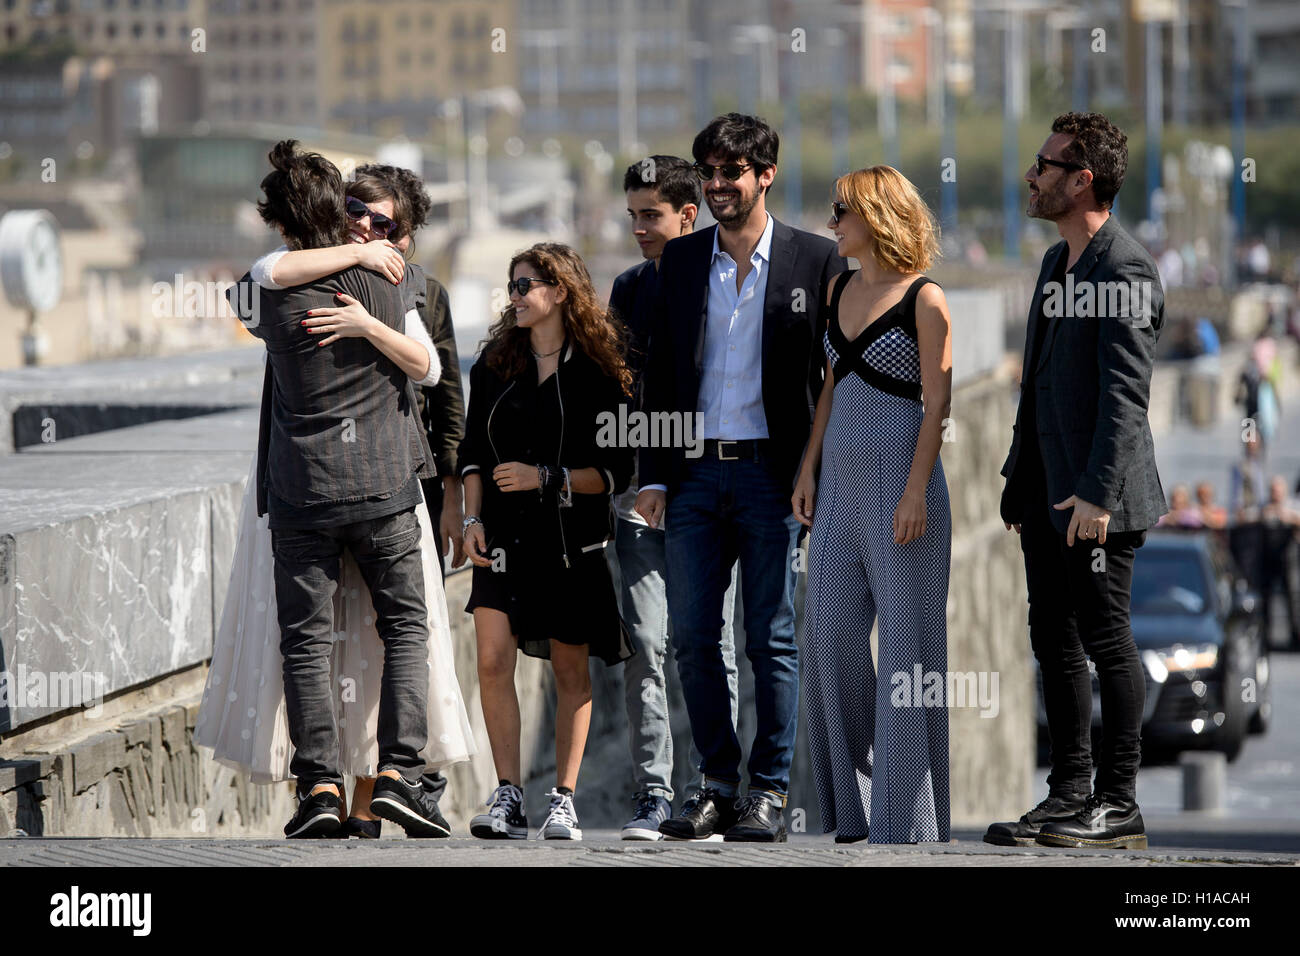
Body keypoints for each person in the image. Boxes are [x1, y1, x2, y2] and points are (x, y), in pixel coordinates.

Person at [198, 163, 475, 838]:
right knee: (406, 628)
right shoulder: (395, 279)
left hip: (303, 494)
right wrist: (365, 264)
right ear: (339, 213)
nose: (370, 228)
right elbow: (433, 367)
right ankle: (398, 774)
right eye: (359, 215)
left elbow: (256, 279)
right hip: (383, 491)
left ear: (281, 220)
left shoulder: (272, 296)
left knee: (306, 643)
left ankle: (319, 785)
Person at [635, 113, 848, 842]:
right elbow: (660, 374)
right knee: (691, 638)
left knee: (771, 640)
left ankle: (768, 790)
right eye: (710, 173)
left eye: (733, 172)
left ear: (765, 177)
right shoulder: (686, 261)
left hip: (773, 478)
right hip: (693, 477)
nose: (719, 186)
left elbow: (835, 376)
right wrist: (654, 474)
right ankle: (715, 785)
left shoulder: (815, 261)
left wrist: (817, 470)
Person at [988, 113, 1166, 850]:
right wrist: (1019, 481)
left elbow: (1126, 396)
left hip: (1099, 499)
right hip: (1045, 494)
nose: (1034, 175)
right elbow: (1038, 389)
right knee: (1052, 641)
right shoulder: (1054, 263)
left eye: (1046, 163)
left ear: (1082, 177)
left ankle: (1118, 803)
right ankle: (1068, 794)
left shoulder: (1124, 269)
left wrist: (1094, 494)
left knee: (1105, 638)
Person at [793, 166, 953, 844]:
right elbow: (831, 383)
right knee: (825, 638)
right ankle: (855, 811)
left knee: (908, 659)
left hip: (903, 488)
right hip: (838, 488)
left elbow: (939, 402)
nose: (831, 222)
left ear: (877, 215)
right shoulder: (836, 287)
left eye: (841, 210)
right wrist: (808, 467)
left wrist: (916, 488)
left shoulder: (927, 298)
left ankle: (907, 822)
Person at [459, 242, 635, 840]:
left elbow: (616, 473)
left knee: (568, 671)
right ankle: (508, 795)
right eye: (511, 286)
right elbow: (473, 454)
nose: (515, 297)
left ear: (560, 291)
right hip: (503, 539)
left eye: (525, 285)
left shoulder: (598, 371)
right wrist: (471, 520)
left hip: (569, 544)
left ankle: (563, 797)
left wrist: (548, 478)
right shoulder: (494, 367)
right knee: (490, 660)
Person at [607, 155, 740, 840]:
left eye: (650, 215)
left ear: (689, 215)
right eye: (632, 215)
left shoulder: (725, 283)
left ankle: (714, 791)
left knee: (709, 643)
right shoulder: (628, 289)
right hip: (637, 494)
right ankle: (655, 794)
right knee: (647, 644)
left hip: (705, 495)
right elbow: (615, 389)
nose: (638, 228)